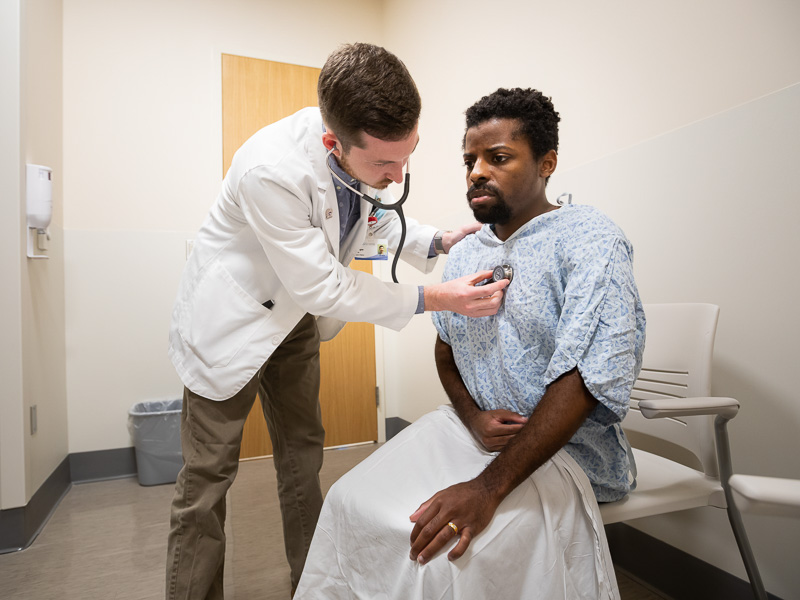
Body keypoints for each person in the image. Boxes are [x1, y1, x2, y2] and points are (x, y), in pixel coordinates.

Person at [165, 43, 509, 600]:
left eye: (407, 156)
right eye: (384, 163)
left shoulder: (356, 157)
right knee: (206, 482)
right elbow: (322, 282)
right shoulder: (269, 170)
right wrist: (433, 297)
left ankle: (314, 585)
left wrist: (436, 240)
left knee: (302, 459)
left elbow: (363, 214)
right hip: (228, 326)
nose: (397, 177)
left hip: (293, 323)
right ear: (333, 143)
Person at [294, 88, 646, 599]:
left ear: (547, 162)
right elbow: (446, 348)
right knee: (348, 501)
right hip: (470, 433)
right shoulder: (469, 252)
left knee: (444, 557)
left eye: (497, 158)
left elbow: (583, 381)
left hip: (569, 454)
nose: (476, 172)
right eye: (469, 160)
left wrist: (485, 490)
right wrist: (472, 416)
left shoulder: (591, 241)